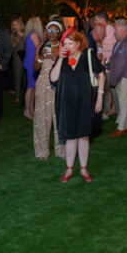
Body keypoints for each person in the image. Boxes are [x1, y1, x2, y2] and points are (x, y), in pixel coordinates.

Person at [49, 30, 105, 183]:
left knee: (84, 136)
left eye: (70, 43)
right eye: (64, 44)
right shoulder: (63, 59)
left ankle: (83, 168)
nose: (67, 46)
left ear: (78, 44)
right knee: (70, 137)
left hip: (85, 101)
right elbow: (53, 78)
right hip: (66, 102)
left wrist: (99, 98)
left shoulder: (88, 55)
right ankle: (69, 168)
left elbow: (101, 75)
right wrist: (60, 58)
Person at [32, 21, 64, 160]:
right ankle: (42, 151)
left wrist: (59, 58)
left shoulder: (64, 47)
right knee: (41, 117)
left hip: (60, 84)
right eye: (49, 31)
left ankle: (61, 150)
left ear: (59, 33)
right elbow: (34, 68)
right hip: (43, 82)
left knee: (60, 117)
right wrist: (40, 58)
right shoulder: (40, 46)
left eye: (55, 31)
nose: (51, 33)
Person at [108, 19, 127, 137]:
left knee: (123, 102)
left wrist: (125, 77)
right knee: (125, 101)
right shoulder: (119, 42)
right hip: (120, 77)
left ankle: (121, 127)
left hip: (126, 77)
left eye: (115, 28)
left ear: (123, 29)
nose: (114, 31)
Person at [22, 16, 43, 120]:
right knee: (30, 88)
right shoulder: (34, 35)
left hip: (29, 61)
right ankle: (27, 110)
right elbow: (39, 47)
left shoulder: (29, 34)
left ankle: (31, 109)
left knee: (33, 87)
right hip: (31, 63)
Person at [9, 16, 26, 104]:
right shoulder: (12, 35)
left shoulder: (26, 33)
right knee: (17, 76)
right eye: (14, 25)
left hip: (26, 57)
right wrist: (15, 42)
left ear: (20, 25)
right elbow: (10, 49)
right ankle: (18, 96)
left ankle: (26, 96)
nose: (15, 26)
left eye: (17, 24)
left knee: (25, 77)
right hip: (17, 58)